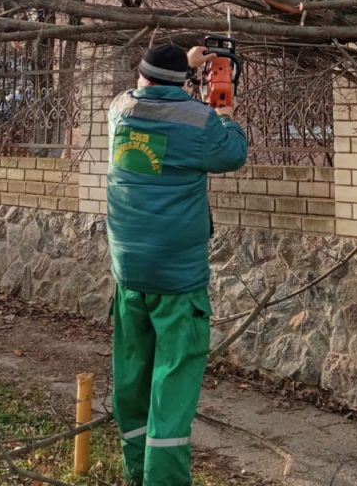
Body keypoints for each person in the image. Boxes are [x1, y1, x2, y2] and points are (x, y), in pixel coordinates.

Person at [107, 42, 248, 486]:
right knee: (172, 385)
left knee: (133, 377)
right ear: (180, 84)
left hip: (128, 272)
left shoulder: (119, 112)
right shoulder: (200, 121)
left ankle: (135, 472)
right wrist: (224, 109)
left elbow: (146, 90)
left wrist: (178, 68)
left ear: (143, 79)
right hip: (178, 280)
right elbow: (233, 154)